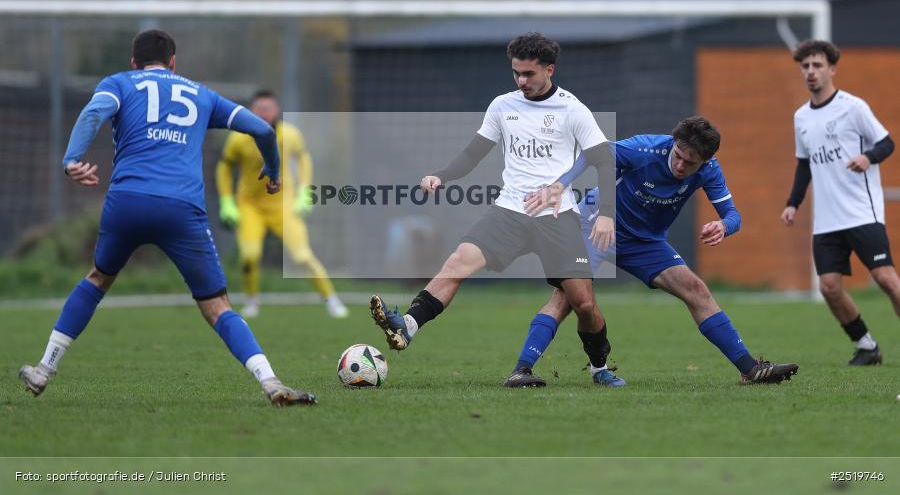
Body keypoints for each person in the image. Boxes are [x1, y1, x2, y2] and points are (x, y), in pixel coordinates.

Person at [18, 30, 316, 406]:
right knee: (217, 306)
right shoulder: (200, 93)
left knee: (97, 280)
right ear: (174, 62)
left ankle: (44, 368)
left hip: (127, 201)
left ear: (133, 63)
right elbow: (262, 129)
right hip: (182, 209)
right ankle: (270, 381)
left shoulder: (119, 83)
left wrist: (71, 160)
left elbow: (94, 112)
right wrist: (273, 170)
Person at [369, 33, 626, 386]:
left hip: (557, 216)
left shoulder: (573, 109)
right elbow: (473, 154)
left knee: (582, 303)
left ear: (549, 70)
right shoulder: (503, 106)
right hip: (509, 211)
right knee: (458, 261)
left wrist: (608, 214)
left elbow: (605, 161)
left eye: (529, 74)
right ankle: (408, 326)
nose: (521, 81)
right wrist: (441, 176)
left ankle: (599, 366)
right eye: (516, 73)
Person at [508, 116, 800, 386]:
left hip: (644, 241)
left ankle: (751, 370)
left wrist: (723, 226)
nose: (681, 166)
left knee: (696, 289)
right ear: (674, 144)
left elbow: (734, 215)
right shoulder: (644, 150)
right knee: (572, 300)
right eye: (679, 155)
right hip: (595, 224)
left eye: (691, 163)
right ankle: (522, 370)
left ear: (706, 161)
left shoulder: (710, 171)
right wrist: (560, 185)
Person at [781, 39, 900, 366]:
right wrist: (793, 203)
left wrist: (867, 156)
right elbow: (804, 164)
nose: (810, 72)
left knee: (886, 279)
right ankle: (866, 346)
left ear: (831, 69)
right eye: (805, 66)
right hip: (827, 220)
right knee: (829, 287)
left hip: (862, 212)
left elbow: (887, 142)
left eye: (817, 65)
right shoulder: (801, 117)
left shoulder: (853, 107)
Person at [216, 89, 347, 319]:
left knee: (302, 257)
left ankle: (332, 300)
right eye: (259, 109)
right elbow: (225, 166)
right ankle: (252, 301)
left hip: (283, 204)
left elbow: (304, 158)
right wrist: (227, 200)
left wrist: (305, 191)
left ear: (276, 110)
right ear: (250, 111)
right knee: (249, 256)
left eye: (268, 108)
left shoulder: (290, 135)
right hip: (250, 205)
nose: (264, 113)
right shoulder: (238, 139)